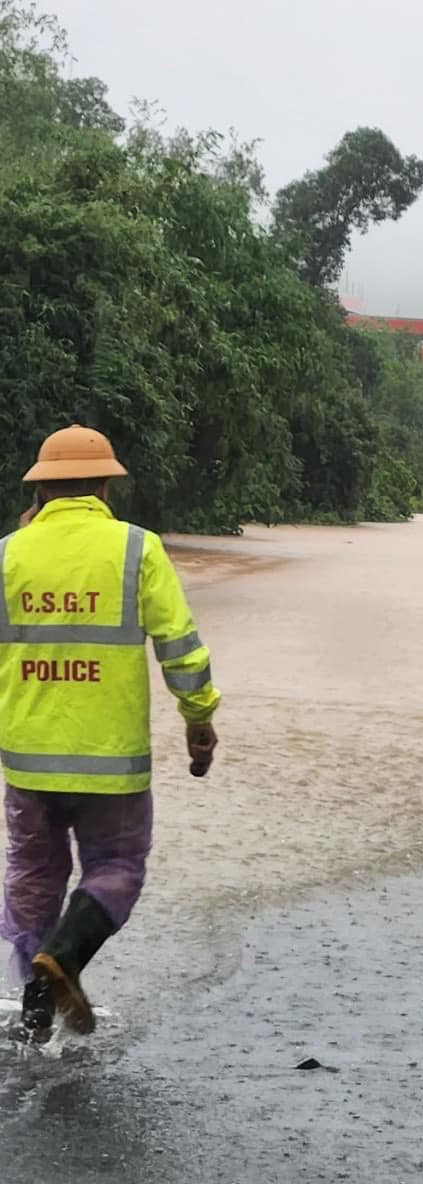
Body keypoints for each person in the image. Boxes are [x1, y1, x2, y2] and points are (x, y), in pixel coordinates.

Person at [2, 425, 221, 1040]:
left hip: (27, 761)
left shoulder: (6, 554)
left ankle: (35, 1009)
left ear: (42, 488)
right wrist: (198, 720)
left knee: (33, 878)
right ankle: (63, 962)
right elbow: (180, 648)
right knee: (117, 865)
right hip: (112, 762)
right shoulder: (137, 549)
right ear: (103, 484)